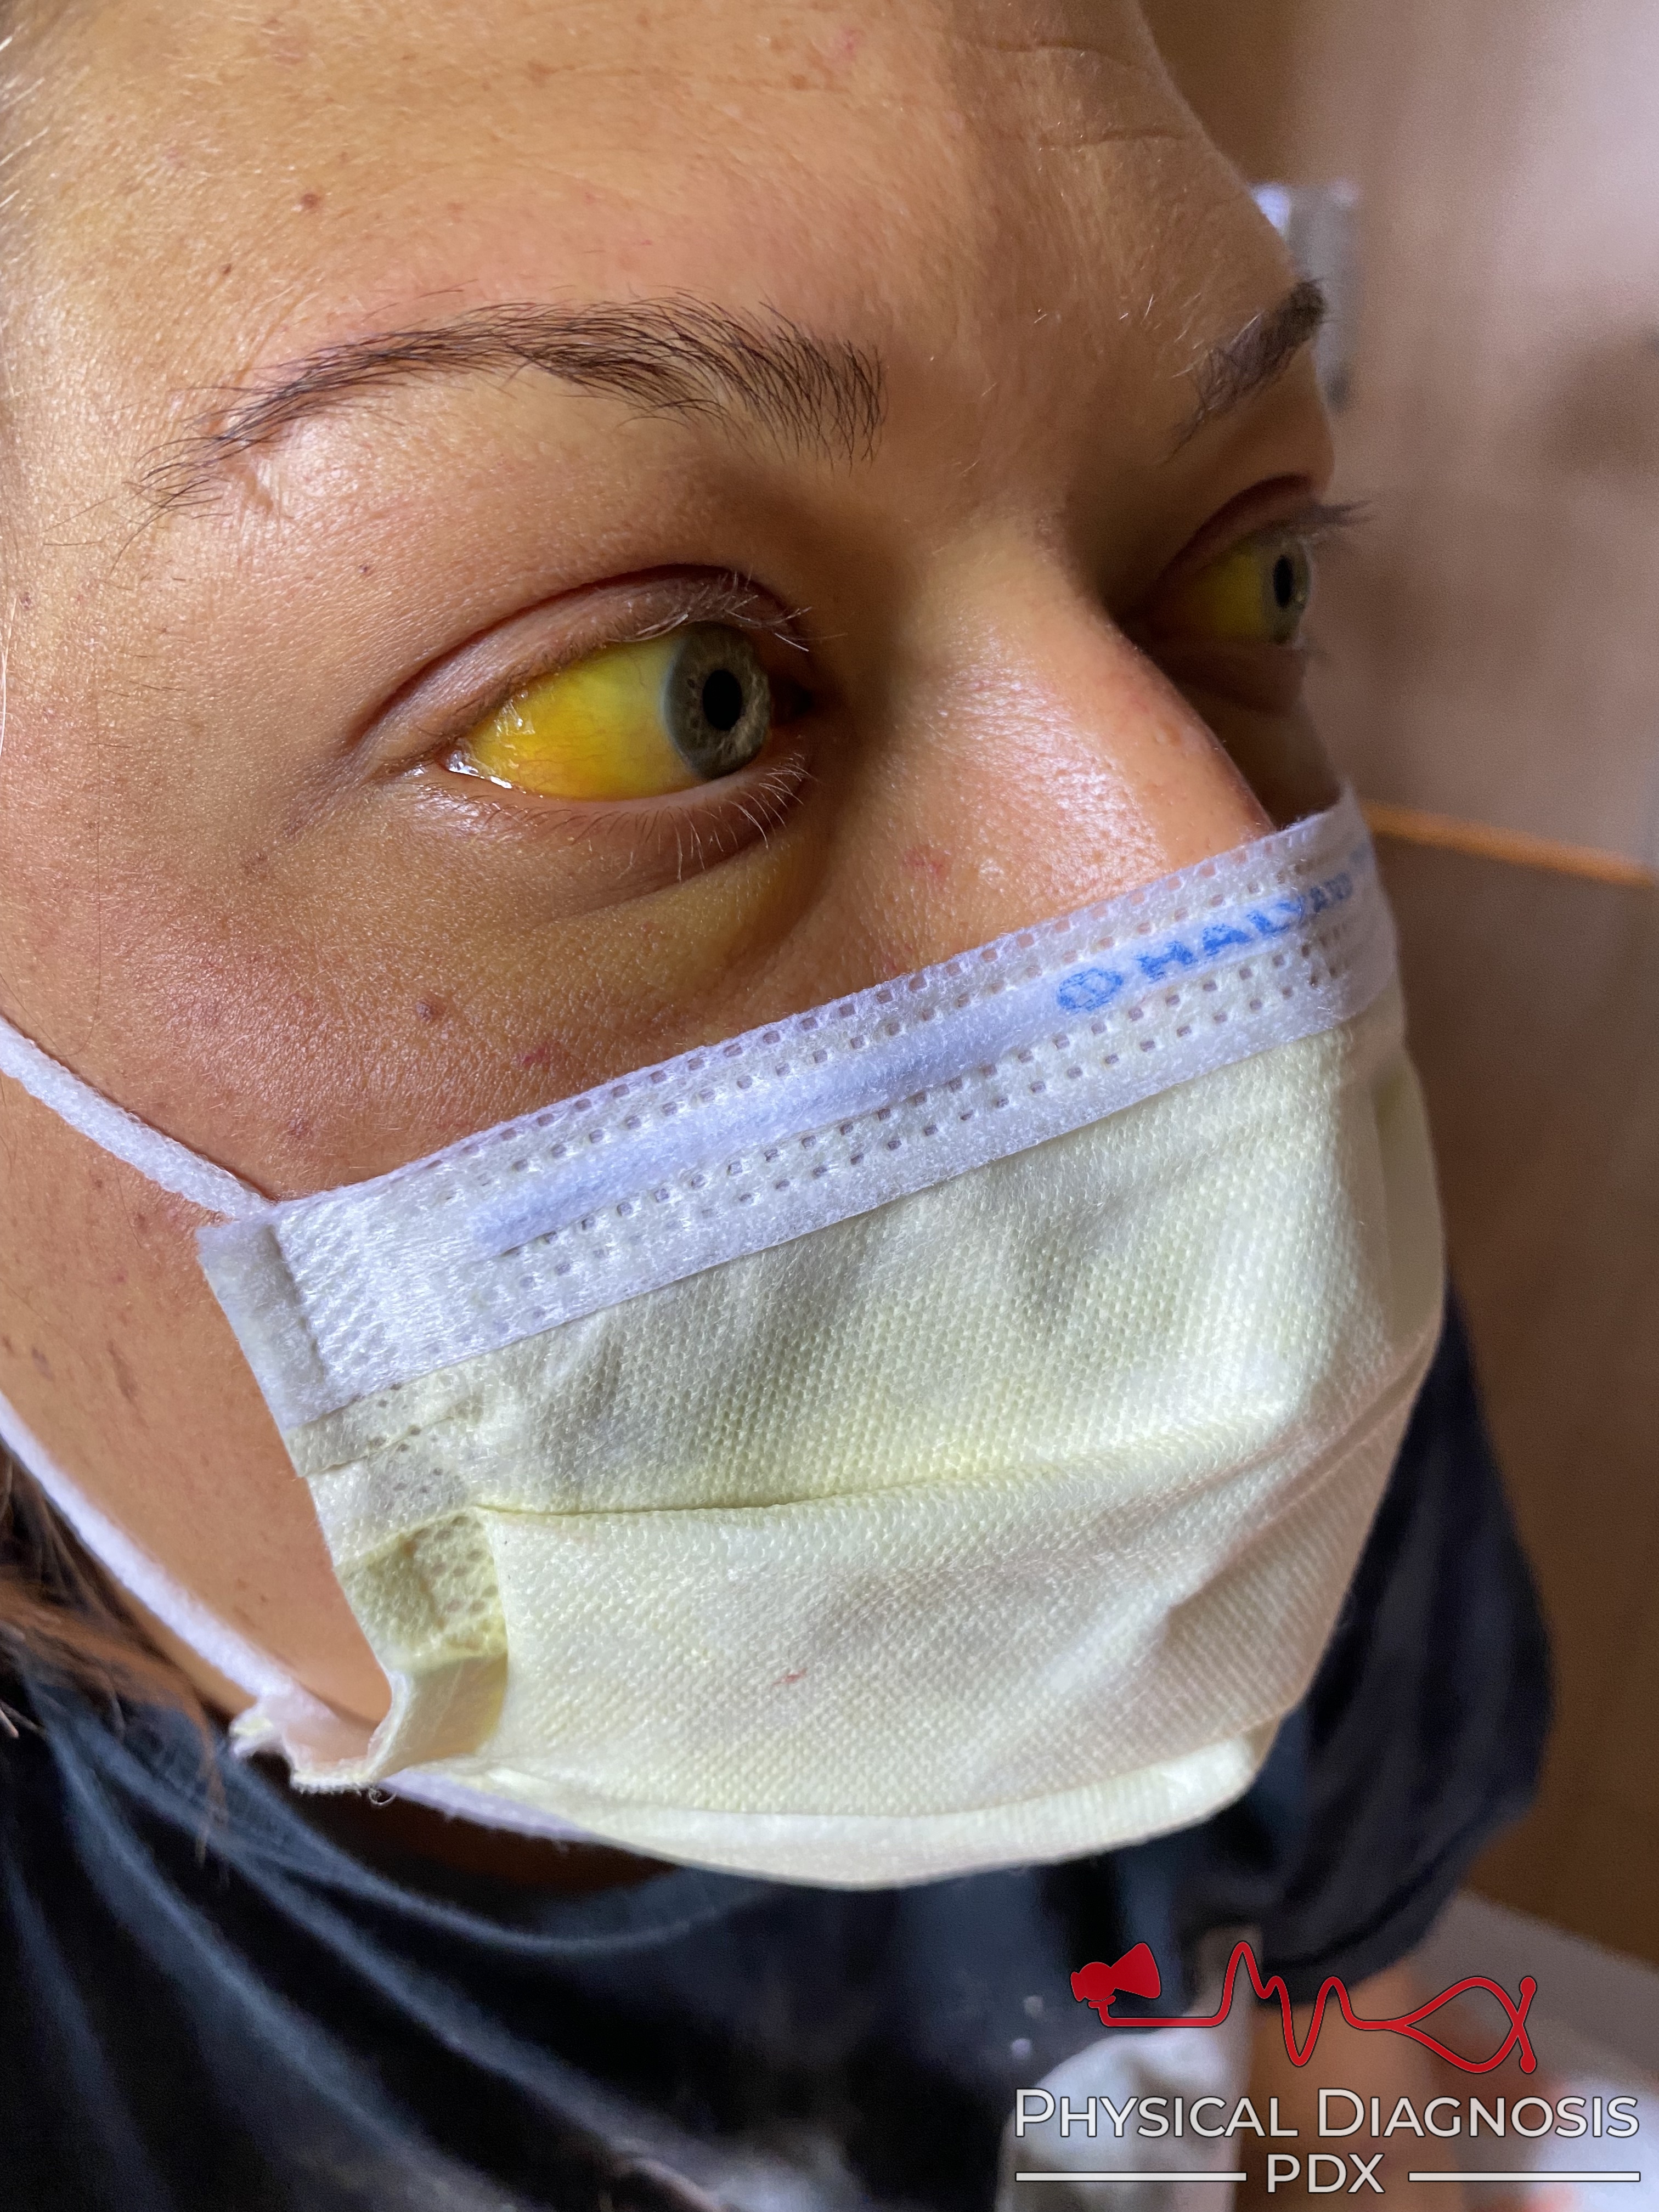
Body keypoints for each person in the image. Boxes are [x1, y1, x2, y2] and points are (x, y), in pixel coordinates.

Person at [0, 2, 1547, 2207]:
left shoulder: (1267, 1364)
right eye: (676, 698)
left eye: (1248, 573)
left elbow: (1366, 2085)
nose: (1234, 944)